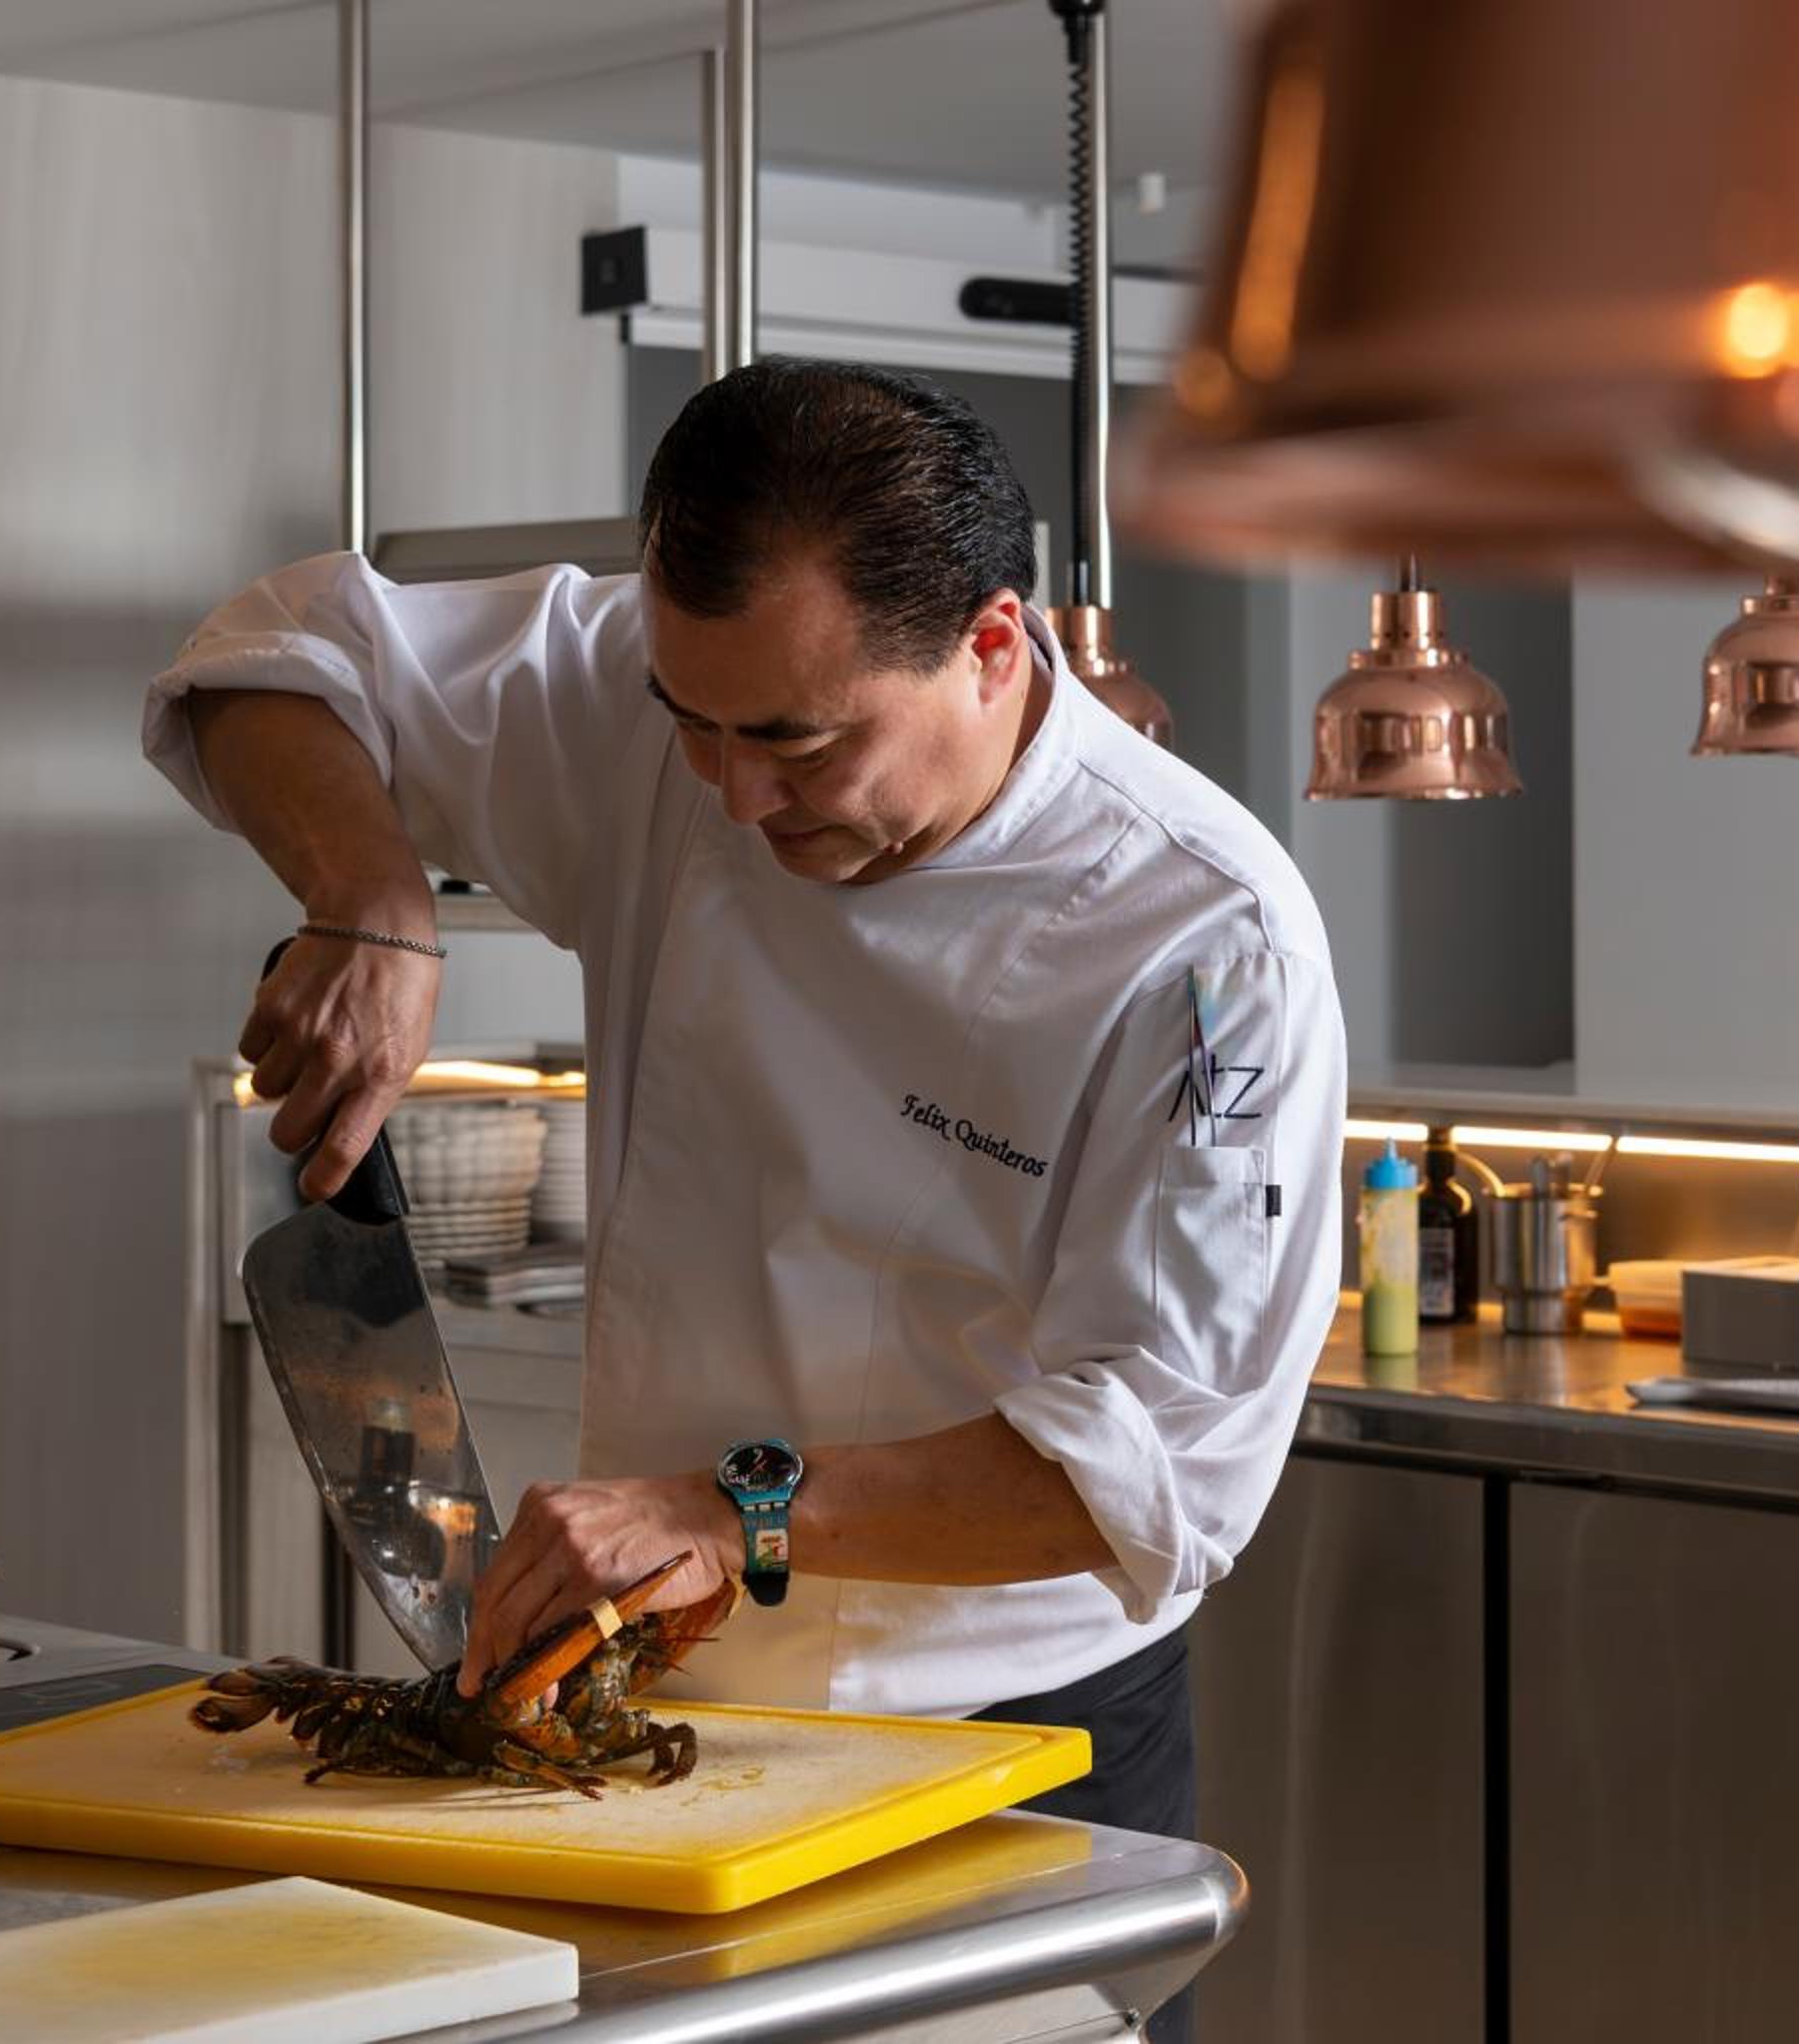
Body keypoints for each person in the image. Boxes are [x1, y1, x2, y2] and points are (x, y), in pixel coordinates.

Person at [143, 361, 1345, 2029]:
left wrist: (730, 1512)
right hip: (646, 1720)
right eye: (691, 723)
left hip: (1003, 1745)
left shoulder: (1207, 946)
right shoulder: (663, 714)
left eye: (796, 740)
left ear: (993, 646)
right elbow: (271, 657)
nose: (730, 794)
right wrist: (373, 897)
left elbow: (1158, 1470)